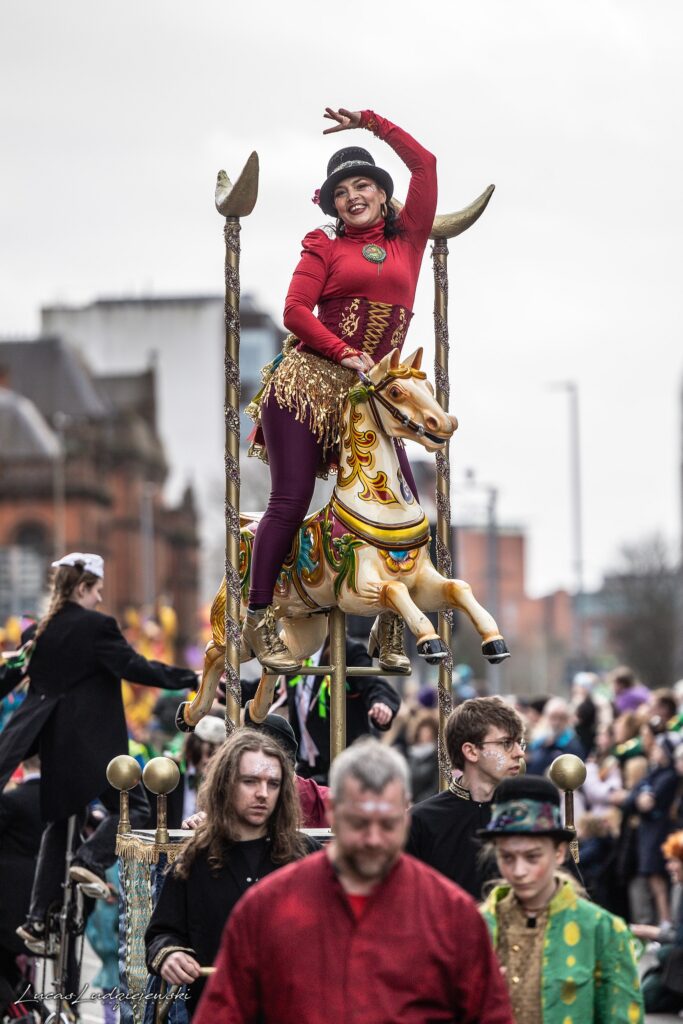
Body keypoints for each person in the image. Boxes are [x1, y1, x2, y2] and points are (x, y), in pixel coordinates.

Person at [242, 105, 438, 676]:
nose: (353, 196)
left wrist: (373, 124)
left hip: (370, 396)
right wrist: (345, 352)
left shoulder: (410, 241)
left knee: (406, 505)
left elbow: (425, 165)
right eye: (342, 191)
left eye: (363, 186)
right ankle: (260, 619)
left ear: (382, 193)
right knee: (292, 498)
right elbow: (294, 312)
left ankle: (388, 623)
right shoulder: (323, 245)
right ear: (331, 204)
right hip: (309, 385)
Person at [193, 739, 513, 1024]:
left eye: (388, 824)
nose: (373, 839)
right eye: (359, 823)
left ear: (406, 811)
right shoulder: (269, 908)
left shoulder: (450, 915)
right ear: (332, 812)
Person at [0, 552, 197, 953]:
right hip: (94, 745)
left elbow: (15, 676)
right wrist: (189, 678)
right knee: (135, 807)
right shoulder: (96, 627)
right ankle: (90, 860)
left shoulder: (40, 632)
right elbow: (135, 667)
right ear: (82, 588)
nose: (100, 599)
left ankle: (37, 920)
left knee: (59, 823)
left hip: (54, 745)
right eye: (97, 591)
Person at [145, 730, 317, 1017]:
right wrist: (170, 955)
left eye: (273, 784)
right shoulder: (194, 859)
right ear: (226, 783)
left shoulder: (306, 857)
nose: (262, 793)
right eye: (250, 782)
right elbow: (162, 933)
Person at [480, 775, 645, 1024]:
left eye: (532, 857)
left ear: (558, 852)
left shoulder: (602, 930)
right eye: (507, 857)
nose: (519, 871)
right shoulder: (476, 928)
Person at [407, 696, 526, 898]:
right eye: (506, 743)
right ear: (471, 751)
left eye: (519, 743)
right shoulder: (420, 821)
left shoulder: (529, 815)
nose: (518, 753)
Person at [242, 634, 400, 783]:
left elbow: (372, 684)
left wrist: (381, 703)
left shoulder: (347, 650)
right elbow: (268, 687)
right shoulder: (295, 654)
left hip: (346, 767)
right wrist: (230, 688)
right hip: (306, 766)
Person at [633, 830, 683, 1015]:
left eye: (674, 861)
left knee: (665, 954)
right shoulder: (679, 888)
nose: (669, 867)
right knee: (646, 997)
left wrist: (650, 932)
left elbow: (679, 938)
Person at [525, 696, 584, 776]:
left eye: (561, 718)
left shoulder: (572, 745)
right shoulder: (539, 741)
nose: (556, 722)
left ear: (567, 720)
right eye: (553, 717)